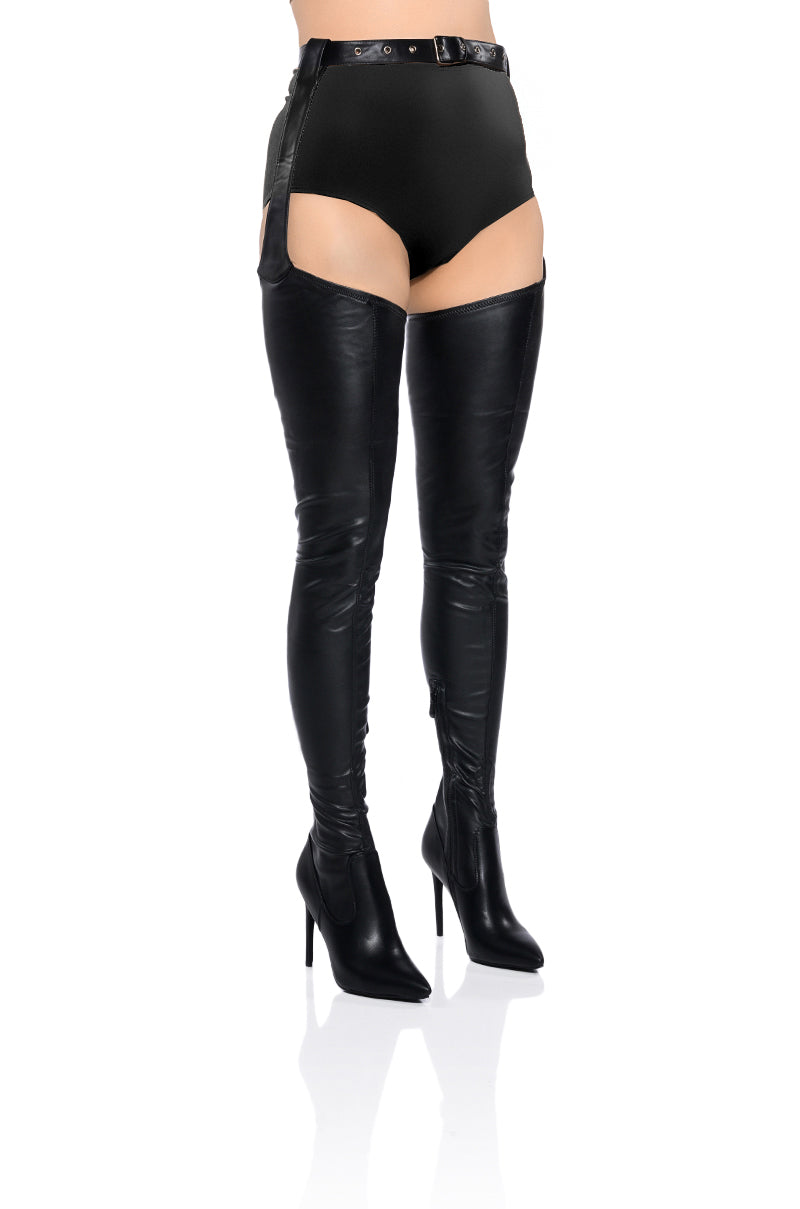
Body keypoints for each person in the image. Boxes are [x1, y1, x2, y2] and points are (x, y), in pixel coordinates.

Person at [257, 0, 546, 1002]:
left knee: (476, 542)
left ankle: (467, 832)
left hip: (486, 141)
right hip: (342, 142)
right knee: (341, 541)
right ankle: (338, 856)